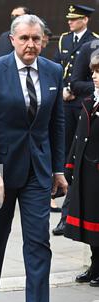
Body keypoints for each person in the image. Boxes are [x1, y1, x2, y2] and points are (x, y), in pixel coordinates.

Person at [0, 14, 67, 302]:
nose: (31, 44)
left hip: (37, 172)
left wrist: (58, 169)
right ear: (12, 39)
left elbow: (57, 125)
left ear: (43, 41)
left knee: (39, 242)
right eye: (24, 38)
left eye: (36, 39)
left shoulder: (54, 71)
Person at [52, 4, 98, 235]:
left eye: (74, 19)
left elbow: (84, 79)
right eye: (69, 19)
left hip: (83, 105)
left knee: (81, 161)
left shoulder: (94, 41)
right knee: (66, 154)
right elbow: (58, 68)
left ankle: (68, 214)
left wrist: (74, 88)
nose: (69, 22)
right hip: (66, 103)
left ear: (85, 20)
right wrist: (62, 88)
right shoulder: (63, 40)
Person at [64, 55, 99, 287]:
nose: (94, 76)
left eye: (98, 72)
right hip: (86, 169)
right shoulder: (90, 101)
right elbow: (78, 137)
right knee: (90, 220)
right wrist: (70, 165)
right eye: (93, 71)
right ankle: (95, 264)